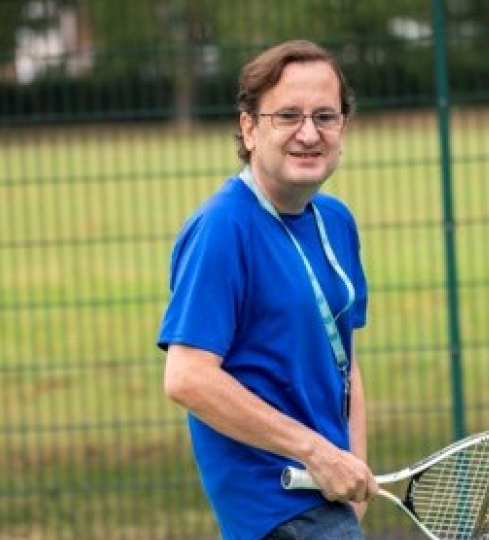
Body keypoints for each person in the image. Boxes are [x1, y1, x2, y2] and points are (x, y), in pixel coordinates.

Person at [157, 39, 378, 540]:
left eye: (326, 116)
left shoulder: (337, 222)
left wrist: (350, 468)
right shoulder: (221, 227)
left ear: (344, 127)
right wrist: (316, 452)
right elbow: (187, 378)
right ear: (249, 128)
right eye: (288, 116)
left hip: (327, 500)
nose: (309, 133)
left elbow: (345, 359)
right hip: (273, 507)